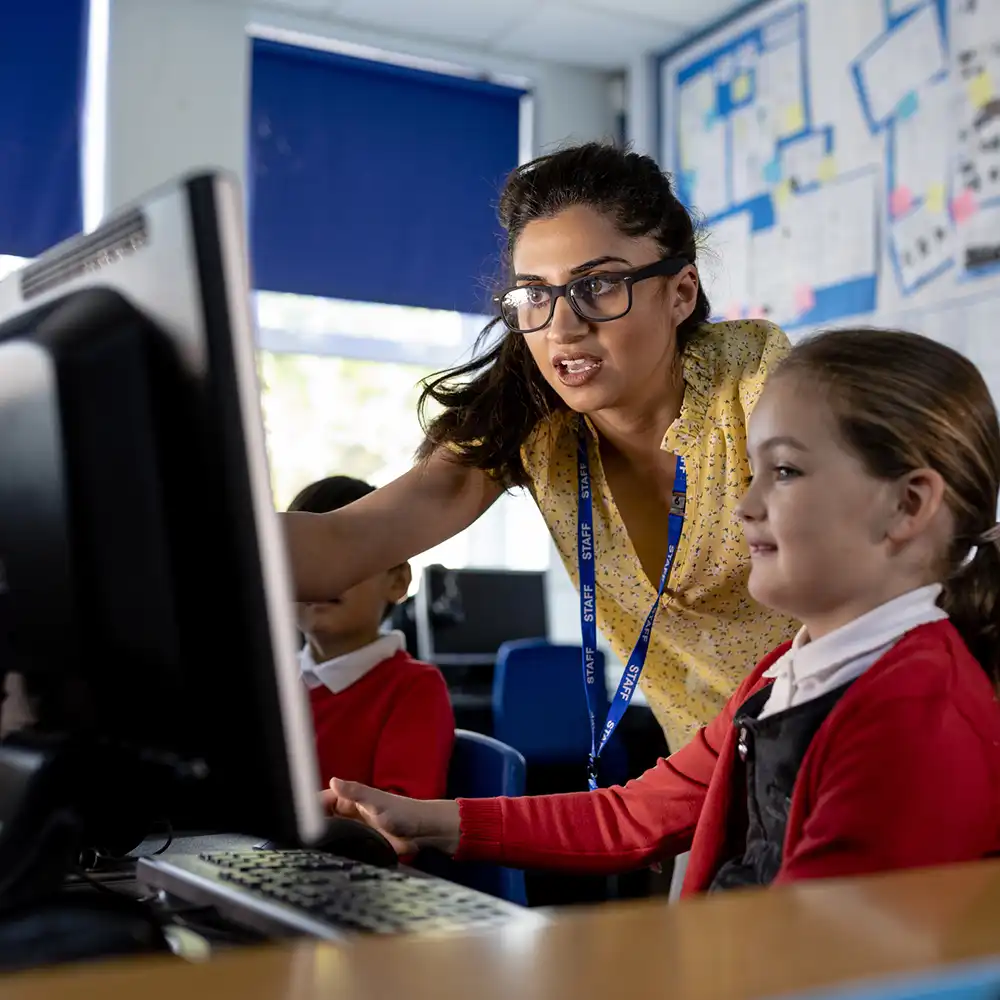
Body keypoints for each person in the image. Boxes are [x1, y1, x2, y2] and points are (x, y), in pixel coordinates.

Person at [321, 328, 1000, 894]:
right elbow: (634, 817)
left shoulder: (914, 716)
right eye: (753, 470)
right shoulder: (785, 677)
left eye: (785, 471)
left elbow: (811, 967)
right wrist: (423, 819)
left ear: (909, 505)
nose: (745, 505)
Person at [283, 142, 796, 760]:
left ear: (681, 292)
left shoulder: (762, 390)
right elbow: (341, 544)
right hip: (711, 778)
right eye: (535, 295)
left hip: (864, 744)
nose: (562, 327)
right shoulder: (533, 424)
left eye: (598, 284)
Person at [289, 476, 454, 799]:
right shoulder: (271, 683)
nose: (320, 575)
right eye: (301, 558)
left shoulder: (414, 688)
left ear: (397, 581)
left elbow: (402, 831)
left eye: (343, 555)